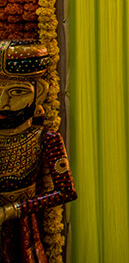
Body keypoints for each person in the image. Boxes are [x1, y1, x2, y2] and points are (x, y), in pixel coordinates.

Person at [0, 40, 76, 263]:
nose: (3, 103)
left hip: (21, 225)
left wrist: (12, 210)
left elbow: (67, 191)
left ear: (39, 93)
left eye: (17, 92)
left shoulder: (45, 139)